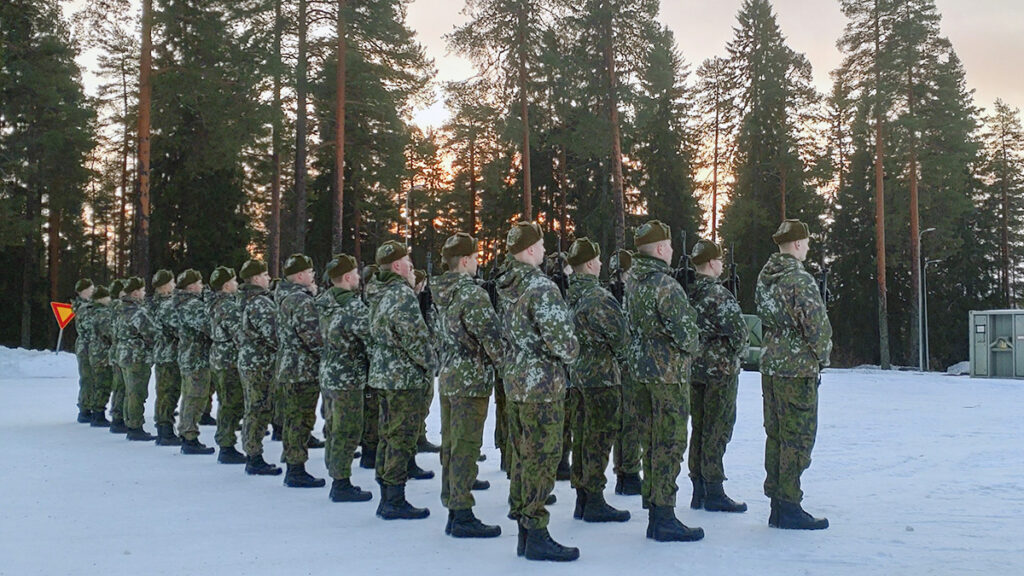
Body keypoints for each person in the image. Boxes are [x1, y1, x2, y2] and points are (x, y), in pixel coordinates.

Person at [497, 222, 580, 562]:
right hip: (542, 387)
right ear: (530, 249)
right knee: (542, 459)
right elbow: (564, 343)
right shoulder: (540, 288)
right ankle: (536, 531)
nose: (545, 251)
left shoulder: (506, 285)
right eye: (542, 245)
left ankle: (525, 530)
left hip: (516, 382)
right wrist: (574, 348)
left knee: (522, 456)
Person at [625, 220, 704, 542]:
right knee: (669, 444)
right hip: (667, 376)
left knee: (650, 442)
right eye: (669, 246)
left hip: (640, 373)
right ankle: (664, 516)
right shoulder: (664, 285)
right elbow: (687, 335)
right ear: (660, 249)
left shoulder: (634, 281)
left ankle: (655, 508)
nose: (671, 251)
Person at [756, 219, 833, 530]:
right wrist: (822, 355)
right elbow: (817, 325)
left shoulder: (766, 278)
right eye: (807, 243)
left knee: (775, 434)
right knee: (798, 437)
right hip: (797, 368)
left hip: (771, 364)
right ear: (799, 244)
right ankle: (789, 503)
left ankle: (778, 501)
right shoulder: (799, 280)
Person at [433, 232, 504, 538]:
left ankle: (453, 502)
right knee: (465, 445)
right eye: (475, 258)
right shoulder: (471, 294)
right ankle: (461, 512)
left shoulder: (441, 291)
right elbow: (492, 338)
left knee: (451, 443)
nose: (478, 263)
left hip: (450, 374)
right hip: (471, 378)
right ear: (464, 261)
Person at [565, 238, 630, 523]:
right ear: (590, 264)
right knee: (599, 438)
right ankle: (593, 498)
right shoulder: (599, 298)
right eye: (599, 260)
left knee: (581, 436)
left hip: (577, 376)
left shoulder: (570, 295)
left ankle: (583, 496)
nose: (602, 265)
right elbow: (622, 339)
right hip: (601, 378)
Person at [368, 241, 433, 520]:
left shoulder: (377, 292)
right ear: (397, 266)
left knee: (387, 434)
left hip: (383, 373)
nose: (412, 268)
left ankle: (387, 492)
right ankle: (395, 497)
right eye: (408, 262)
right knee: (401, 437)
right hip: (402, 377)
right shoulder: (400, 295)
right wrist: (432, 362)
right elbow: (415, 339)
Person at [687, 239, 748, 513]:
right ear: (711, 263)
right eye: (720, 260)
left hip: (695, 369)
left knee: (699, 428)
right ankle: (713, 489)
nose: (722, 264)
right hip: (720, 371)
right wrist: (739, 354)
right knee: (718, 427)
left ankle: (698, 488)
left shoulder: (689, 293)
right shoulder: (719, 295)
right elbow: (740, 333)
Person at [318, 254, 373, 502]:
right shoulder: (353, 306)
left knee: (333, 426)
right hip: (348, 377)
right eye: (356, 275)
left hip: (328, 372)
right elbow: (370, 339)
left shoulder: (323, 302)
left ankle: (334, 470)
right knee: (347, 429)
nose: (359, 279)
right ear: (348, 276)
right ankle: (341, 483)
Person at [276, 254, 326, 488]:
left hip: (289, 365)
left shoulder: (283, 296)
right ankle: (295, 468)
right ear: (299, 276)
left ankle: (292, 461)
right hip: (302, 368)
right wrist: (327, 353)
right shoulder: (301, 301)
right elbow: (312, 337)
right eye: (309, 272)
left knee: (293, 417)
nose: (313, 275)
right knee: (301, 419)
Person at [236, 259, 282, 476]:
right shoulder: (260, 303)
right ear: (255, 279)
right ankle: (254, 455)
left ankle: (251, 451)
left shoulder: (244, 299)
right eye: (264, 275)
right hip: (260, 363)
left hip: (249, 360)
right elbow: (274, 335)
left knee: (253, 406)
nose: (268, 279)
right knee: (258, 407)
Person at [609, 249, 642, 496]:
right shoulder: (623, 295)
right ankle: (628, 471)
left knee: (623, 420)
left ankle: (624, 469)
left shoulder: (611, 294)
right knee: (629, 420)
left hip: (614, 366)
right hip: (625, 364)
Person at [176, 269, 216, 455]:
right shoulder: (192, 305)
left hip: (190, 356)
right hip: (196, 357)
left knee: (190, 396)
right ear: (191, 286)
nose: (202, 287)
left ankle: (186, 431)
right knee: (196, 397)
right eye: (199, 283)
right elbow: (209, 327)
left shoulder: (184, 303)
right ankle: (189, 434)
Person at [209, 266, 247, 464]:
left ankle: (226, 441)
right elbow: (239, 334)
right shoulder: (228, 307)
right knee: (231, 403)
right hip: (229, 360)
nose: (237, 285)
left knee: (226, 401)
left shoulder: (214, 304)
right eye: (233, 281)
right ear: (226, 286)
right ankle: (227, 444)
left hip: (219, 357)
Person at [115, 276, 158, 441]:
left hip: (123, 355)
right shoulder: (137, 312)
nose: (144, 293)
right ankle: (135, 426)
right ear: (135, 293)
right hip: (136, 356)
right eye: (142, 290)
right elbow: (151, 332)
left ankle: (129, 422)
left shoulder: (120, 309)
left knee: (129, 391)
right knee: (137, 392)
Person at [150, 269, 182, 446]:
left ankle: (164, 428)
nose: (174, 285)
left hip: (163, 353)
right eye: (172, 282)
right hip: (169, 354)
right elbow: (177, 327)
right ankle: (165, 430)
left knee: (164, 392)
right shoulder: (167, 305)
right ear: (164, 287)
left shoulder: (154, 303)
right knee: (168, 392)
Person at [73, 279, 97, 423]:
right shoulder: (84, 308)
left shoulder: (88, 306)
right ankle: (85, 408)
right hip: (85, 346)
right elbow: (89, 327)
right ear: (83, 291)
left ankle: (90, 405)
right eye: (90, 288)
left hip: (90, 346)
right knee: (87, 377)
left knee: (92, 377)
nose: (93, 291)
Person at [107, 279, 128, 433]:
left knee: (119, 385)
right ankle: (118, 417)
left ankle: (117, 414)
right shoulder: (119, 307)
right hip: (120, 350)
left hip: (116, 350)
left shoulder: (112, 307)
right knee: (122, 386)